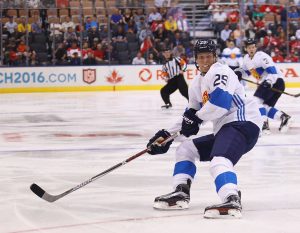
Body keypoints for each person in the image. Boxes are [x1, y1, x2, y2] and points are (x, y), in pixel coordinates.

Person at [146, 39, 263, 218]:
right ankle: (181, 192)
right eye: (201, 57)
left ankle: (231, 199)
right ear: (196, 59)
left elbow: (220, 103)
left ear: (215, 57)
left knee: (219, 160)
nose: (205, 61)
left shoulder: (221, 71)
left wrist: (196, 118)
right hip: (226, 128)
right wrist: (167, 136)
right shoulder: (196, 85)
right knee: (186, 149)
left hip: (243, 122)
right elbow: (189, 115)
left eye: (209, 56)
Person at [236, 38, 291, 134]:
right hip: (271, 83)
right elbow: (245, 71)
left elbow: (273, 72)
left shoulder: (262, 56)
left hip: (275, 81)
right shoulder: (246, 59)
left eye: (253, 47)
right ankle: (283, 117)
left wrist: (269, 82)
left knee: (256, 102)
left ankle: (264, 125)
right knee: (264, 106)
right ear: (246, 49)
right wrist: (239, 73)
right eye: (249, 47)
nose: (251, 49)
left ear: (255, 47)